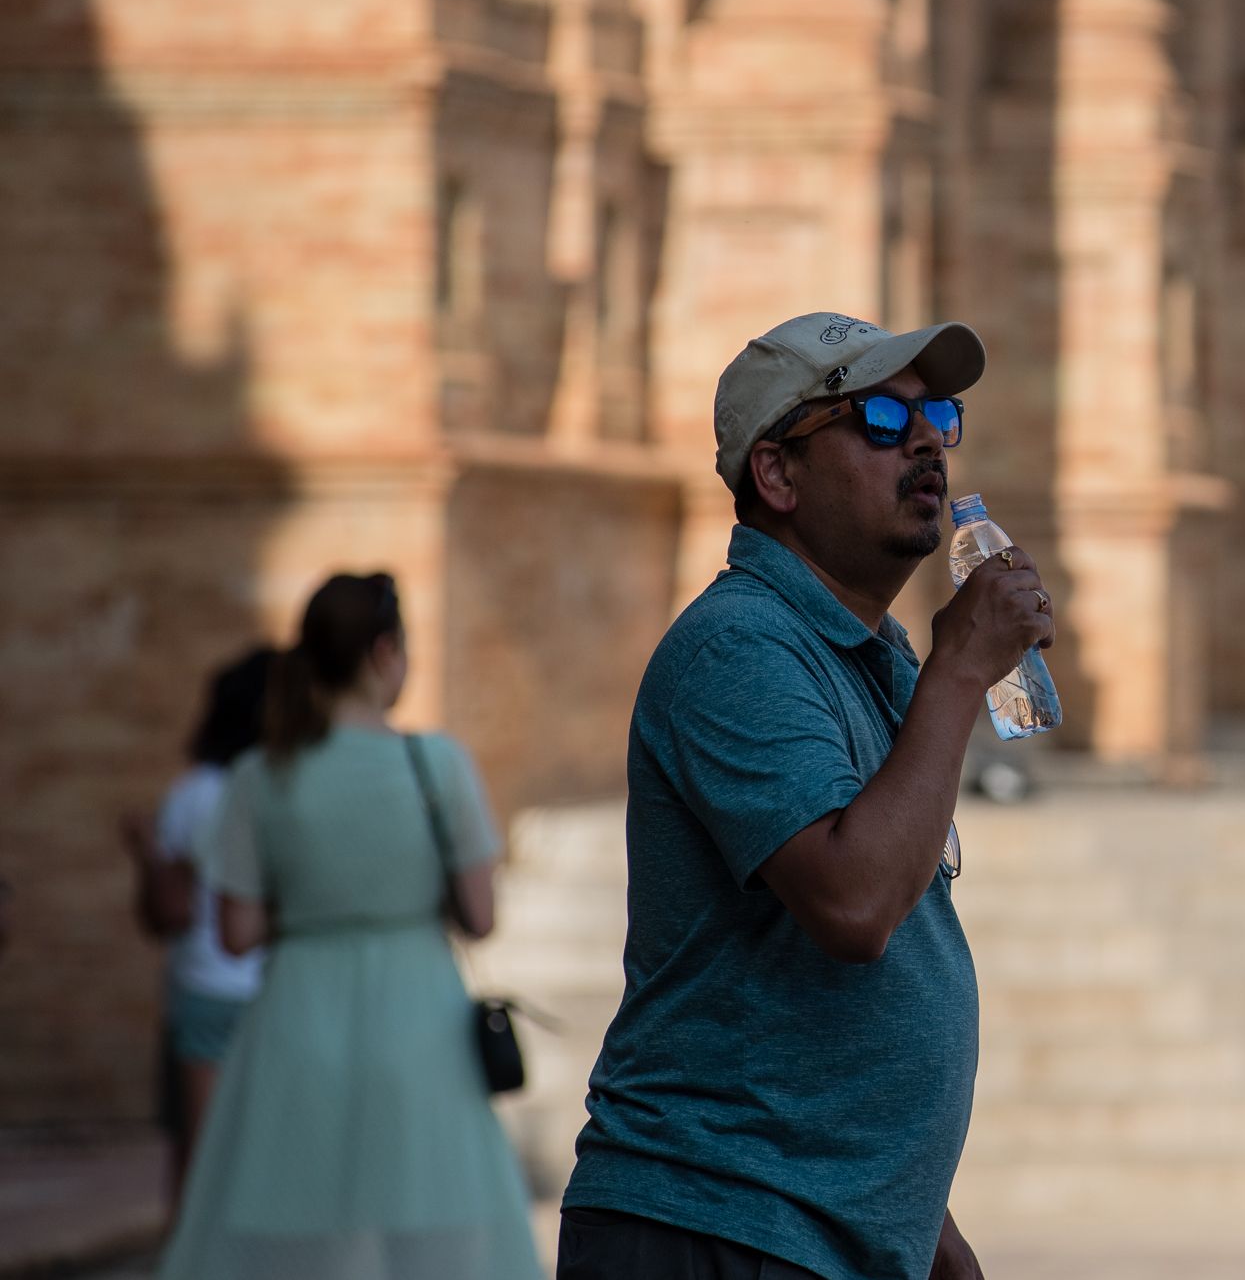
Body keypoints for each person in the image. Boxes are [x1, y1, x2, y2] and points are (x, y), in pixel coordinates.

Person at [560, 314, 1051, 1280]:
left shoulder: (869, 661)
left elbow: (850, 1001)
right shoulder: (737, 647)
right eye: (875, 416)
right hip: (718, 1221)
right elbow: (855, 905)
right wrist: (959, 669)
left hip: (817, 1227)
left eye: (935, 415)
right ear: (778, 476)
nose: (922, 440)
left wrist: (929, 1235)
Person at [158, 572, 539, 1280]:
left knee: (302, 1238)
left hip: (297, 1017)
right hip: (418, 1021)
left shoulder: (259, 775)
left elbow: (235, 932)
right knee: (434, 1233)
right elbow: (480, 917)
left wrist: (314, 906)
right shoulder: (437, 764)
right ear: (385, 650)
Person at [119, 644, 274, 1209]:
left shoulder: (195, 796)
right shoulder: (274, 789)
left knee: (199, 1167)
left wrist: (143, 853)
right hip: (271, 993)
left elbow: (170, 912)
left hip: (206, 991)